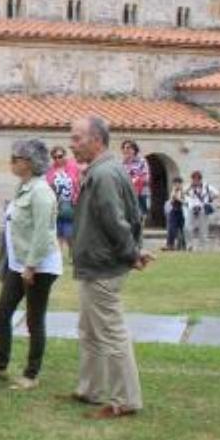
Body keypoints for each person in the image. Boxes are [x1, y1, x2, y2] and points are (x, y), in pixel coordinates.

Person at [69, 115, 151, 420]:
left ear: (96, 140)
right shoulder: (107, 170)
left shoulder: (103, 174)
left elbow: (115, 222)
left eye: (77, 138)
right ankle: (90, 388)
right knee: (89, 329)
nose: (72, 144)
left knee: (111, 332)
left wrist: (131, 254)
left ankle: (124, 400)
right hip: (97, 263)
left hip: (103, 266)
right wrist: (133, 253)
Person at [0, 139, 61, 390]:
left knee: (34, 319)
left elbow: (43, 233)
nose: (11, 163)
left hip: (38, 266)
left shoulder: (41, 192)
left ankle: (31, 374)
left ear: (28, 163)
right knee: (2, 310)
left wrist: (31, 266)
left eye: (15, 159)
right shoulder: (24, 187)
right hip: (18, 264)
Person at [46, 145, 80, 251]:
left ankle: (73, 254)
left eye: (60, 156)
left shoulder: (73, 167)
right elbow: (48, 186)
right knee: (58, 232)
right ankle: (58, 255)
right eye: (55, 157)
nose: (58, 159)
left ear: (65, 155)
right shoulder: (50, 170)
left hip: (71, 203)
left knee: (69, 232)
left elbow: (79, 183)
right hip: (56, 204)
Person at [185, 171, 219, 251]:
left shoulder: (206, 186)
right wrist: (190, 188)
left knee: (203, 229)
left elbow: (217, 193)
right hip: (192, 208)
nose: (195, 181)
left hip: (202, 209)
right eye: (193, 179)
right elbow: (184, 193)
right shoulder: (189, 187)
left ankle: (202, 247)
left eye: (197, 179)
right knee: (187, 227)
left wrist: (210, 199)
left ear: (200, 179)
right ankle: (189, 245)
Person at [120, 140, 150, 222]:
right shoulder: (121, 163)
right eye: (124, 148)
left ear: (134, 150)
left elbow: (145, 177)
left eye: (128, 148)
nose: (126, 150)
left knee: (140, 215)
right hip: (127, 192)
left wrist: (134, 181)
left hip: (140, 193)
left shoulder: (141, 161)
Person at [166, 177, 188, 251]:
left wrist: (178, 199)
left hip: (182, 212)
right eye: (175, 184)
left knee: (183, 229)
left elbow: (186, 201)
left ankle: (184, 245)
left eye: (178, 183)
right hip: (174, 211)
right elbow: (171, 201)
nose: (177, 185)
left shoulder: (184, 191)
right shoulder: (173, 191)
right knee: (172, 228)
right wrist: (173, 196)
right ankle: (170, 245)